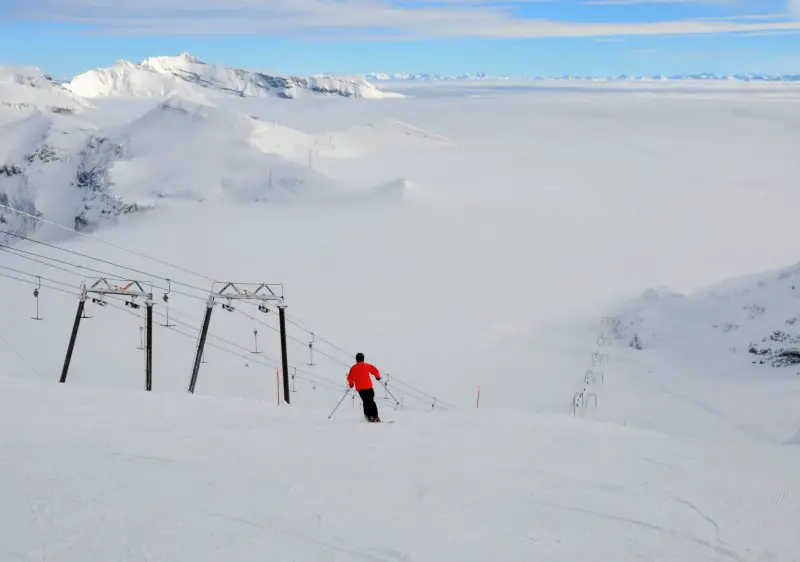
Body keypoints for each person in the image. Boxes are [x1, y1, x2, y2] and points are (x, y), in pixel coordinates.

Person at [346, 352, 382, 422]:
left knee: (366, 401)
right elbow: (375, 370)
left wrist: (351, 385)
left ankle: (368, 416)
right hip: (369, 387)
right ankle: (375, 416)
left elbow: (349, 377)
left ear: (356, 359)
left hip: (361, 389)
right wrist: (377, 377)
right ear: (363, 359)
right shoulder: (367, 365)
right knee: (371, 401)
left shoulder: (353, 368)